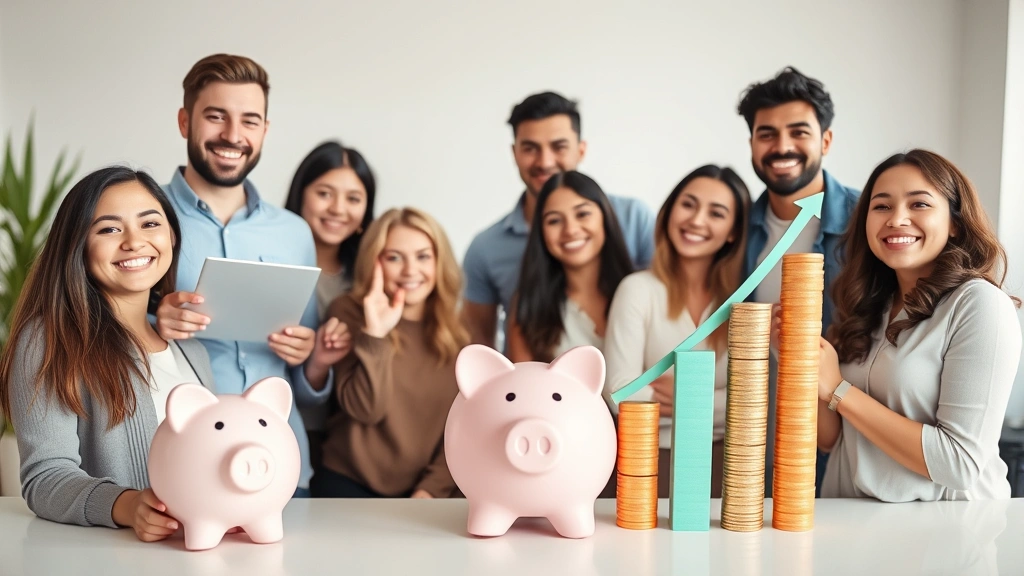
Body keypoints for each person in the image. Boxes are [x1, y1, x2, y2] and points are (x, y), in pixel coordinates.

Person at [152, 54, 347, 497]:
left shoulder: (294, 233)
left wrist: (310, 357)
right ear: (185, 121)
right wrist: (153, 325)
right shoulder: (145, 215)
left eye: (250, 121)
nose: (233, 136)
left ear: (264, 131)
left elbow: (305, 368)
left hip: (281, 463)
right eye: (215, 117)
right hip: (179, 464)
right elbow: (95, 335)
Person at [0, 167, 214, 542]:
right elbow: (45, 478)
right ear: (78, 246)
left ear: (172, 236)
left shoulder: (193, 351)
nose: (134, 241)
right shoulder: (50, 341)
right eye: (109, 229)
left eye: (150, 224)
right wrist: (127, 505)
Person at [813, 149, 1022, 500]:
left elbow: (959, 464)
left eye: (919, 204)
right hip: (853, 528)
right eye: (881, 206)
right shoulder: (867, 305)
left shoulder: (979, 305)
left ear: (955, 222)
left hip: (943, 537)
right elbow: (833, 439)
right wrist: (797, 356)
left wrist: (838, 390)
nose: (897, 219)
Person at [736, 66, 860, 493]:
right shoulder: (734, 228)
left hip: (846, 432)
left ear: (825, 140)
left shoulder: (867, 222)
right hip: (755, 432)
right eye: (766, 133)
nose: (782, 146)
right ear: (751, 143)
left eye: (799, 132)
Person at [462, 91, 655, 351]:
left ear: (581, 149)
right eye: (530, 148)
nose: (545, 161)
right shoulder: (485, 247)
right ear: (514, 153)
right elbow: (479, 345)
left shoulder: (634, 217)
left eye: (559, 146)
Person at [605, 165, 751, 498]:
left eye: (716, 213)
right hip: (649, 462)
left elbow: (753, 404)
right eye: (688, 204)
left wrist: (688, 396)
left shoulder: (742, 302)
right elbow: (619, 393)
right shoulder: (637, 289)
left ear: (732, 232)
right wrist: (718, 403)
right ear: (670, 211)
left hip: (731, 464)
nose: (697, 220)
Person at [314, 208, 468, 498]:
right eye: (394, 257)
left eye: (423, 256)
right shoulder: (347, 312)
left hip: (426, 492)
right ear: (375, 262)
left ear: (439, 261)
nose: (410, 271)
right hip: (348, 483)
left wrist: (430, 490)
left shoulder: (461, 333)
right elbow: (366, 410)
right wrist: (375, 333)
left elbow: (466, 427)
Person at [284, 140, 376, 473]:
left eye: (353, 198)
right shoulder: (274, 265)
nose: (338, 209)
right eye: (325, 193)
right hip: (290, 428)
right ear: (301, 195)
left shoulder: (374, 279)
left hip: (357, 440)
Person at [506, 171, 633, 363]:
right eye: (554, 220)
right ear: (541, 232)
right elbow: (524, 388)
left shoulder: (641, 291)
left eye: (582, 214)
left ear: (605, 217)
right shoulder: (528, 306)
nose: (570, 230)